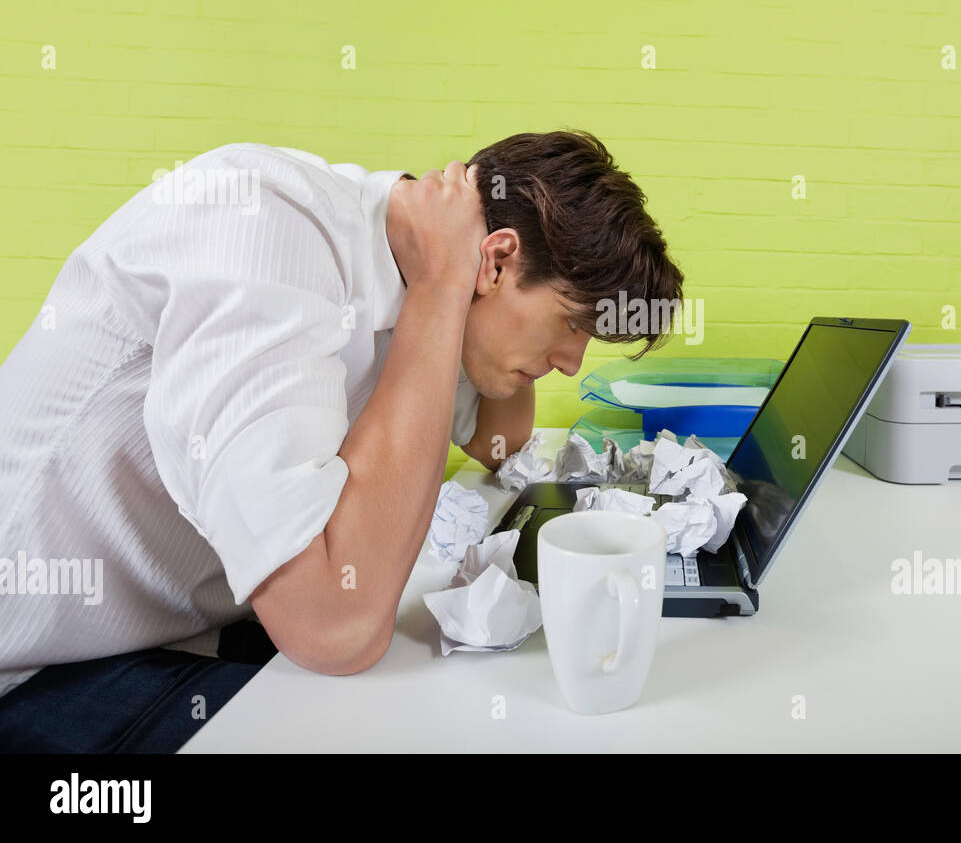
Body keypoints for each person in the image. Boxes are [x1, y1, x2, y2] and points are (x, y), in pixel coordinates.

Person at [0, 130, 685, 751]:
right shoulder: (264, 229)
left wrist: (455, 290)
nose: (572, 363)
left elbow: (499, 442)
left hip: (166, 631)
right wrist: (445, 287)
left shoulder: (420, 274)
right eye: (570, 325)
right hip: (37, 662)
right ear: (499, 260)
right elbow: (334, 630)